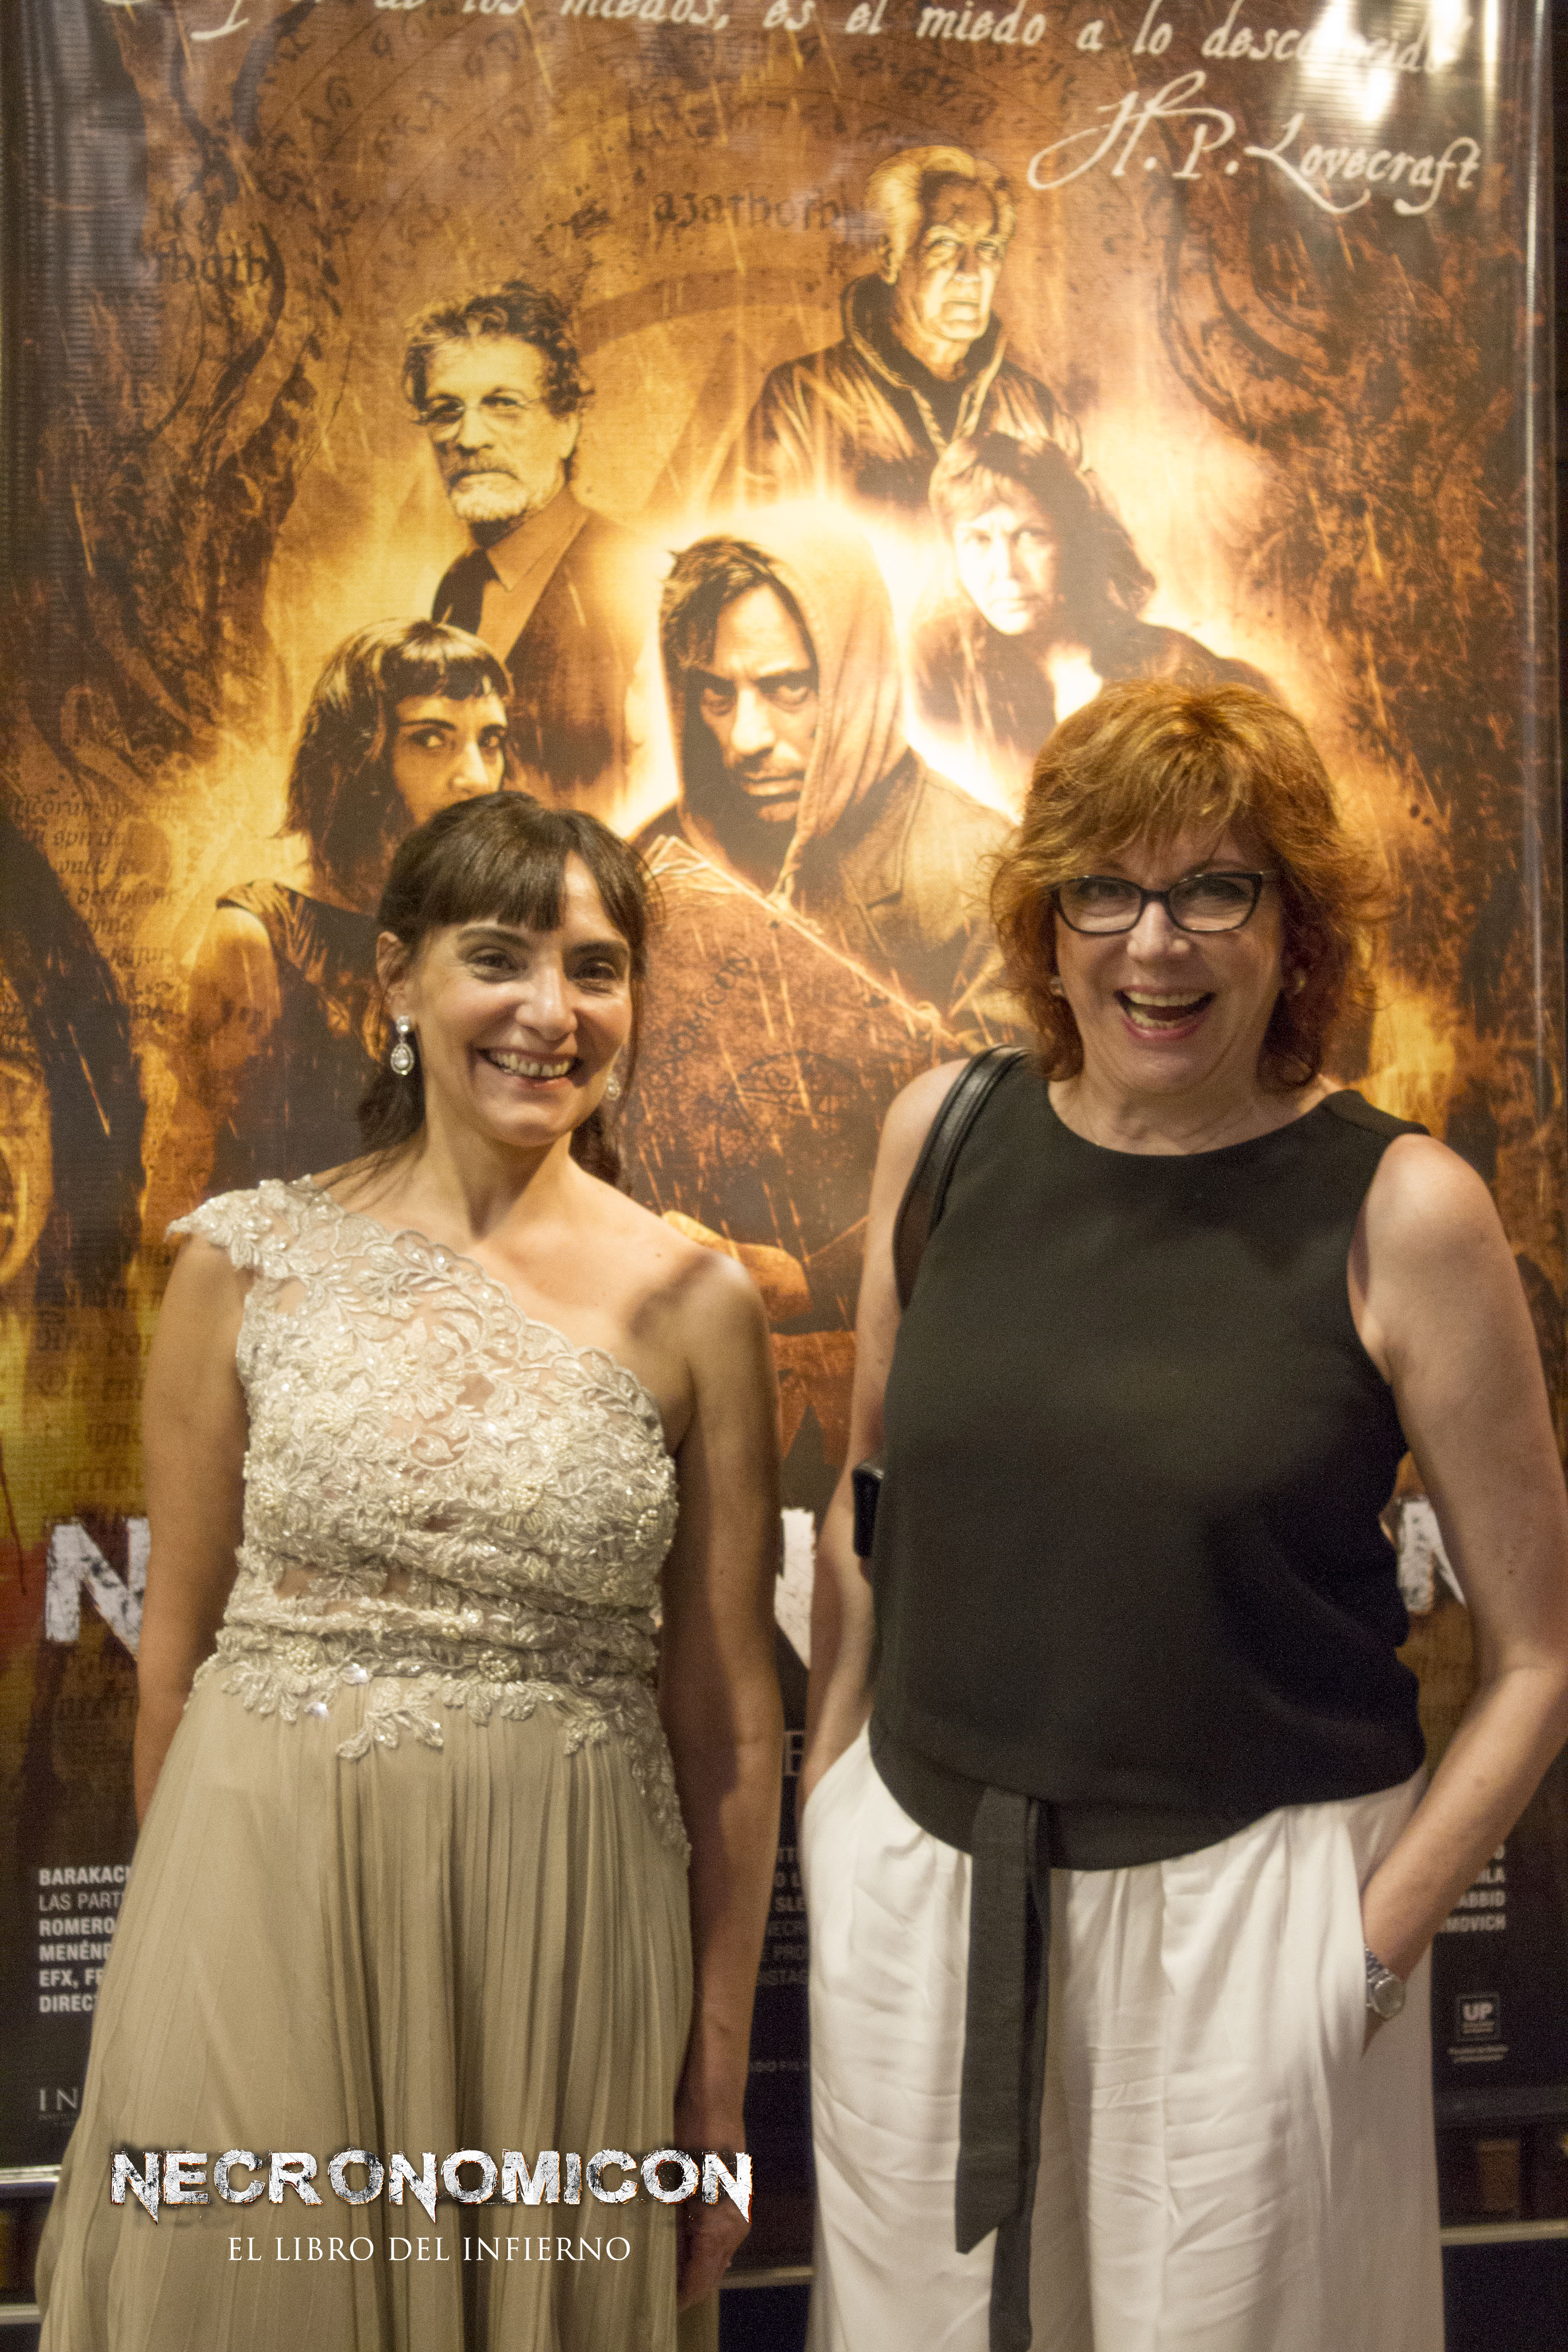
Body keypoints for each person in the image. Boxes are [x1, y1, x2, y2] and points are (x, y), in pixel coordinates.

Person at [800, 680, 1568, 2352]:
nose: (1157, 945)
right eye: (1108, 890)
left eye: (1216, 888)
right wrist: (833, 1814)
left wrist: (1361, 1959)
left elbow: (1535, 1662)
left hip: (1256, 1922)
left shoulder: (1402, 1208)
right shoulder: (945, 1138)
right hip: (926, 1902)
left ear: (1293, 930)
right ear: (1047, 921)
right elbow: (870, 1502)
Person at [38, 793, 785, 2351]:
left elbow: (727, 1724)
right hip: (266, 1898)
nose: (549, 1012)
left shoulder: (698, 1303)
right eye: (497, 959)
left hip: (563, 1924)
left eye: (594, 968)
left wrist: (714, 2081)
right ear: (396, 978)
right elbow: (170, 1666)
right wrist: (170, 1981)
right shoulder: (242, 1263)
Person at [637, 508, 1019, 1046]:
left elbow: (1012, 1094)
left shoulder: (987, 871)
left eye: (787, 687)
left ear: (857, 680)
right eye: (716, 692)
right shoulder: (651, 864)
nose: (745, 739)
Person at [188, 618, 514, 1192]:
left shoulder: (490, 932)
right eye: (431, 739)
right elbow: (193, 1184)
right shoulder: (259, 936)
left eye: (489, 742)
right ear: (359, 759)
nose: (475, 779)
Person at [912, 432, 1273, 811]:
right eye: (978, 541)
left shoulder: (1170, 667)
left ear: (1069, 545)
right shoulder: (956, 686)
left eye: (1030, 536)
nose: (1005, 570)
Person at [409, 280, 660, 819]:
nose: (468, 438)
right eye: (445, 410)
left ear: (566, 426)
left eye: (503, 405)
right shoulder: (458, 587)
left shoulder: (647, 581)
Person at [727, 149, 1078, 521]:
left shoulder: (1034, 409)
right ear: (890, 257)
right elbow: (733, 542)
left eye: (988, 249)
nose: (971, 272)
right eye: (944, 244)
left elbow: (1096, 541)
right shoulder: (802, 398)